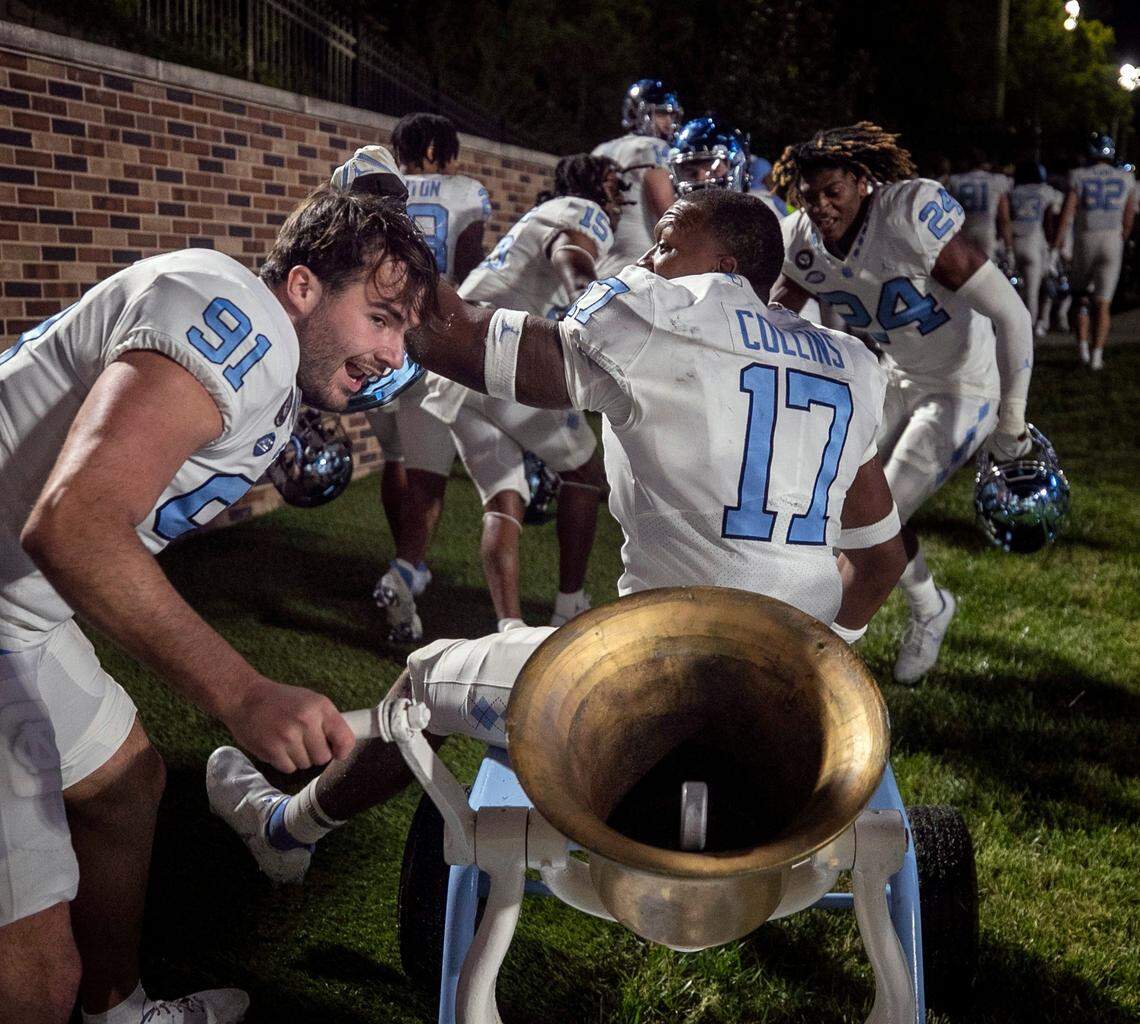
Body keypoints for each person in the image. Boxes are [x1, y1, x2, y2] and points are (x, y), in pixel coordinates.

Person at [206, 187, 908, 882]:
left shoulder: (664, 314)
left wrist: (380, 241)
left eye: (667, 243)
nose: (651, 258)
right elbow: (879, 561)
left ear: (723, 265)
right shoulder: (847, 360)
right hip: (798, 704)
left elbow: (459, 335)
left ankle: (286, 832)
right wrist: (808, 663)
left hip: (655, 690)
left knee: (423, 681)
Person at [0, 180, 437, 1023]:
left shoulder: (270, 362)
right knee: (33, 981)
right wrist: (241, 691)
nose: (393, 351)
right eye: (381, 318)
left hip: (21, 613)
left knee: (125, 783)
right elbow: (74, 522)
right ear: (304, 287)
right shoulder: (236, 318)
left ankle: (120, 1010)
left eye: (404, 331)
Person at [769, 122, 1034, 684]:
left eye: (831, 191)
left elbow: (1012, 313)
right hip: (891, 375)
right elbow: (780, 314)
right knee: (836, 505)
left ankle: (812, 670)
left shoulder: (906, 218)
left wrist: (1011, 420)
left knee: (875, 514)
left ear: (863, 181)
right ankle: (929, 605)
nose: (819, 206)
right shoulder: (801, 239)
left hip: (964, 385)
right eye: (808, 195)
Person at [415, 154, 621, 633]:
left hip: (450, 366)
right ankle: (570, 604)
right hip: (493, 353)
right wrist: (594, 306)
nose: (617, 195)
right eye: (611, 183)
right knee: (586, 471)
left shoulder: (538, 214)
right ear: (590, 184)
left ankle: (510, 629)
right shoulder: (580, 211)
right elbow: (569, 253)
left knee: (504, 498)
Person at [348, 117, 493, 640]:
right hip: (428, 337)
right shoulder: (466, 192)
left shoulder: (379, 184)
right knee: (429, 469)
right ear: (436, 150)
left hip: (372, 338)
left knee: (395, 458)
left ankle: (407, 560)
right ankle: (407, 567)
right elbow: (472, 267)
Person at [1052, 134, 1137, 370]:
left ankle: (1083, 351)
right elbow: (1129, 218)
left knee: (1081, 298)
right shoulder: (1126, 177)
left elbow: (1068, 212)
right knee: (1103, 302)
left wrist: (1057, 243)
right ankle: (1097, 356)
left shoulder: (1079, 175)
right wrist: (1123, 237)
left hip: (1086, 239)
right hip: (1112, 239)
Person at [592, 79, 681, 276]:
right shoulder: (653, 147)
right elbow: (669, 214)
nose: (668, 121)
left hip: (597, 263)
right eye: (661, 113)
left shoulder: (600, 150)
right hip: (638, 263)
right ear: (637, 112)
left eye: (671, 114)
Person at [1009, 160, 1064, 336]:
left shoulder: (1014, 191)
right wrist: (1052, 244)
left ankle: (1011, 325)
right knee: (1033, 291)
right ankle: (1028, 331)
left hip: (1014, 241)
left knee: (1015, 291)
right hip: (1034, 242)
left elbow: (1007, 216)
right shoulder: (1046, 192)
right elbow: (1049, 221)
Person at [947, 148, 1013, 262]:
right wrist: (1009, 248)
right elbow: (1004, 218)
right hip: (986, 233)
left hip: (963, 234)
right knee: (986, 274)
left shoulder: (955, 181)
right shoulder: (996, 180)